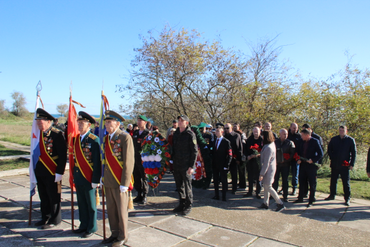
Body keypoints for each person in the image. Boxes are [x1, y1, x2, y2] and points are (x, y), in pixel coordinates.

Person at [101, 110, 134, 246]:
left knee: (121, 211)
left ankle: (122, 236)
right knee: (111, 210)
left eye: (109, 122)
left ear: (117, 123)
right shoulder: (106, 138)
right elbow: (105, 161)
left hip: (120, 181)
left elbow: (129, 161)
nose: (107, 125)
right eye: (106, 122)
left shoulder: (124, 137)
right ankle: (114, 233)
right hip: (109, 180)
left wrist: (125, 182)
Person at [34, 108, 67, 229]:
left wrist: (60, 172)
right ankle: (45, 217)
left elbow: (63, 155)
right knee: (43, 195)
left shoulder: (57, 134)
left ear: (48, 121)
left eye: (40, 121)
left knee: (53, 196)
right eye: (37, 121)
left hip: (52, 170)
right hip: (40, 169)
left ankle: (55, 219)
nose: (38, 123)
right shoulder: (37, 134)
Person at [72, 111, 101, 238]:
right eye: (78, 123)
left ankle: (91, 227)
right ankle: (83, 225)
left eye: (82, 123)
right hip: (79, 177)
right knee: (81, 203)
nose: (79, 125)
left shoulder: (94, 140)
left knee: (91, 204)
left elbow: (97, 161)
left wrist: (96, 179)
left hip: (89, 177)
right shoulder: (76, 139)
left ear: (89, 125)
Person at [172, 115, 198, 215]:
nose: (179, 122)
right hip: (177, 164)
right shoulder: (176, 133)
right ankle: (181, 204)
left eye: (181, 121)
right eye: (179, 120)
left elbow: (194, 151)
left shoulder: (190, 134)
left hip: (186, 165)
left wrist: (192, 166)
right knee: (179, 186)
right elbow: (173, 148)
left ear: (186, 123)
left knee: (187, 186)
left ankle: (188, 205)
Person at [325, 126, 357, 206]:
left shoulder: (350, 140)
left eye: (343, 130)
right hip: (335, 164)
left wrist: (351, 163)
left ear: (346, 131)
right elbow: (329, 149)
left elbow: (354, 153)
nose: (341, 132)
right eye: (340, 130)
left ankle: (347, 198)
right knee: (333, 181)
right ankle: (332, 195)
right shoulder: (334, 139)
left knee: (346, 182)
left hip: (344, 165)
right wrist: (332, 157)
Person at [293, 129, 323, 207]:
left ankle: (311, 199)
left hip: (311, 165)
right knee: (302, 181)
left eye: (302, 135)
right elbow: (297, 151)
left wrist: (313, 160)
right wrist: (298, 159)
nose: (301, 136)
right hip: (303, 164)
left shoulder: (315, 141)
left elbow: (320, 154)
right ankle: (300, 198)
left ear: (307, 135)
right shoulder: (300, 141)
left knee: (312, 183)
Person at [258, 130, 285, 212]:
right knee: (266, 186)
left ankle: (280, 203)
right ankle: (265, 203)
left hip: (269, 170)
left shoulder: (269, 148)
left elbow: (266, 163)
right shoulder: (270, 144)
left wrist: (261, 174)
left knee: (268, 186)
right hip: (270, 168)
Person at [273, 129, 295, 202]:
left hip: (285, 164)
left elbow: (292, 154)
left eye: (286, 134)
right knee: (275, 180)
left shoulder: (290, 143)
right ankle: (274, 195)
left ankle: (285, 196)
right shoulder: (275, 142)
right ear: (280, 134)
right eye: (284, 134)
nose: (285, 135)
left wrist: (286, 160)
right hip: (276, 164)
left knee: (285, 180)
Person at [132, 115, 150, 204]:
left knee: (144, 177)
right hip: (135, 159)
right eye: (138, 120)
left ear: (145, 122)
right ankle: (139, 194)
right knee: (136, 177)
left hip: (144, 159)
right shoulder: (135, 132)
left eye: (141, 121)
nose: (138, 122)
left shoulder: (148, 133)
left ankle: (145, 195)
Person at [211, 126, 232, 201]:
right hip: (215, 164)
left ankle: (224, 196)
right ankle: (216, 195)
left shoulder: (226, 142)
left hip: (223, 164)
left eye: (218, 131)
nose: (216, 132)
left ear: (222, 132)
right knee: (216, 180)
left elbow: (229, 154)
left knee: (223, 180)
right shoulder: (214, 141)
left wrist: (227, 165)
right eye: (216, 131)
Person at [224, 123, 243, 194]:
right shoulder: (224, 136)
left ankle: (234, 188)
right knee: (224, 173)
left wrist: (239, 159)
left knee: (234, 174)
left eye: (227, 128)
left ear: (231, 128)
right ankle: (225, 188)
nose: (226, 130)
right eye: (225, 128)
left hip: (234, 157)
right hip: (226, 158)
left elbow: (239, 148)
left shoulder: (236, 135)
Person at [244, 127, 262, 198]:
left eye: (257, 132)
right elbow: (245, 149)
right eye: (254, 132)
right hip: (250, 161)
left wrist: (257, 154)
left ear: (260, 132)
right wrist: (248, 156)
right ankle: (250, 191)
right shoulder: (249, 139)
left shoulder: (262, 140)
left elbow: (263, 150)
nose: (256, 133)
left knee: (258, 178)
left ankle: (258, 192)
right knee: (250, 177)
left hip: (258, 161)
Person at [288, 122, 301, 195]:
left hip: (295, 158)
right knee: (285, 174)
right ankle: (284, 187)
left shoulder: (299, 136)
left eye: (296, 128)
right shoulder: (287, 135)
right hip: (287, 157)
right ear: (290, 128)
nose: (295, 129)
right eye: (293, 128)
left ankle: (294, 188)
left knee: (295, 174)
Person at [233, 122, 247, 189]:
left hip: (241, 153)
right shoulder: (233, 134)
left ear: (239, 127)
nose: (234, 127)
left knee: (242, 170)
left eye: (236, 126)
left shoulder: (242, 134)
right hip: (235, 154)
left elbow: (243, 144)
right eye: (234, 126)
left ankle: (243, 184)